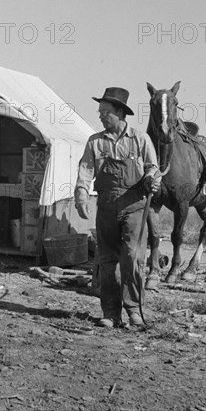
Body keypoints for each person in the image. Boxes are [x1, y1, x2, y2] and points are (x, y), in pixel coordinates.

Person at [75, 87, 161, 328]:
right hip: (106, 207)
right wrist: (81, 195)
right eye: (100, 111)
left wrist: (152, 178)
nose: (100, 115)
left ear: (120, 113)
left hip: (134, 205)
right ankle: (111, 313)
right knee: (108, 260)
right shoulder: (95, 142)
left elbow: (153, 168)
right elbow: (85, 171)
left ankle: (133, 309)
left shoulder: (140, 139)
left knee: (132, 257)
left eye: (106, 112)